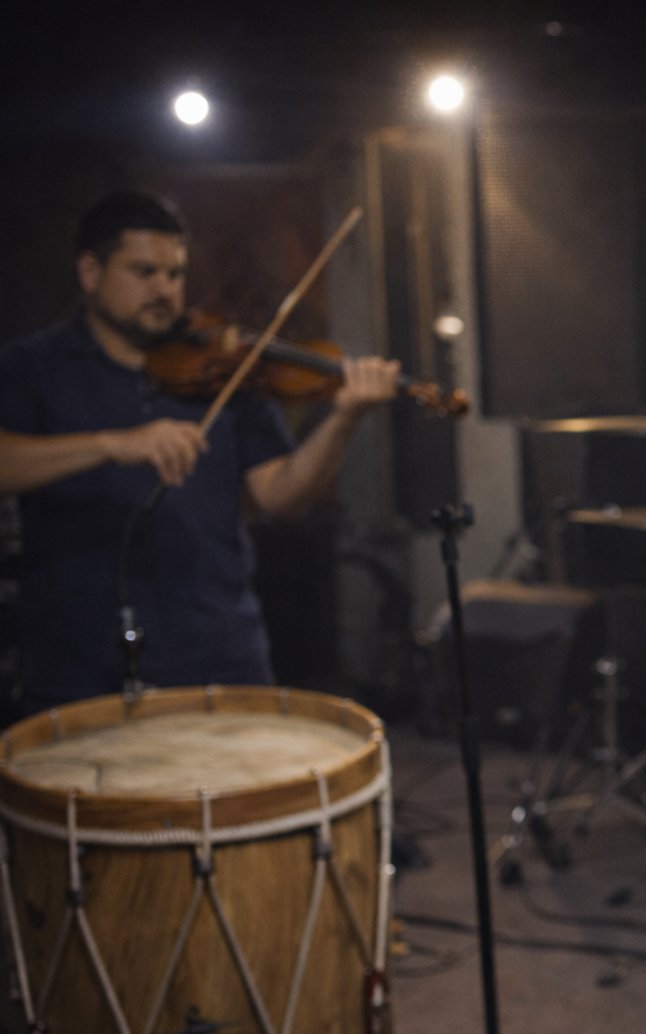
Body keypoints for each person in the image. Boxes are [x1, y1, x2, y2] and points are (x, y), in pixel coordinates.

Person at [0, 191, 397, 717]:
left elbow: (280, 495)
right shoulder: (34, 366)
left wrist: (343, 421)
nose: (165, 290)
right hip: (78, 663)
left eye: (175, 274)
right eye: (144, 272)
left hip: (219, 653)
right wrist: (111, 444)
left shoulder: (226, 368)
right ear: (91, 272)